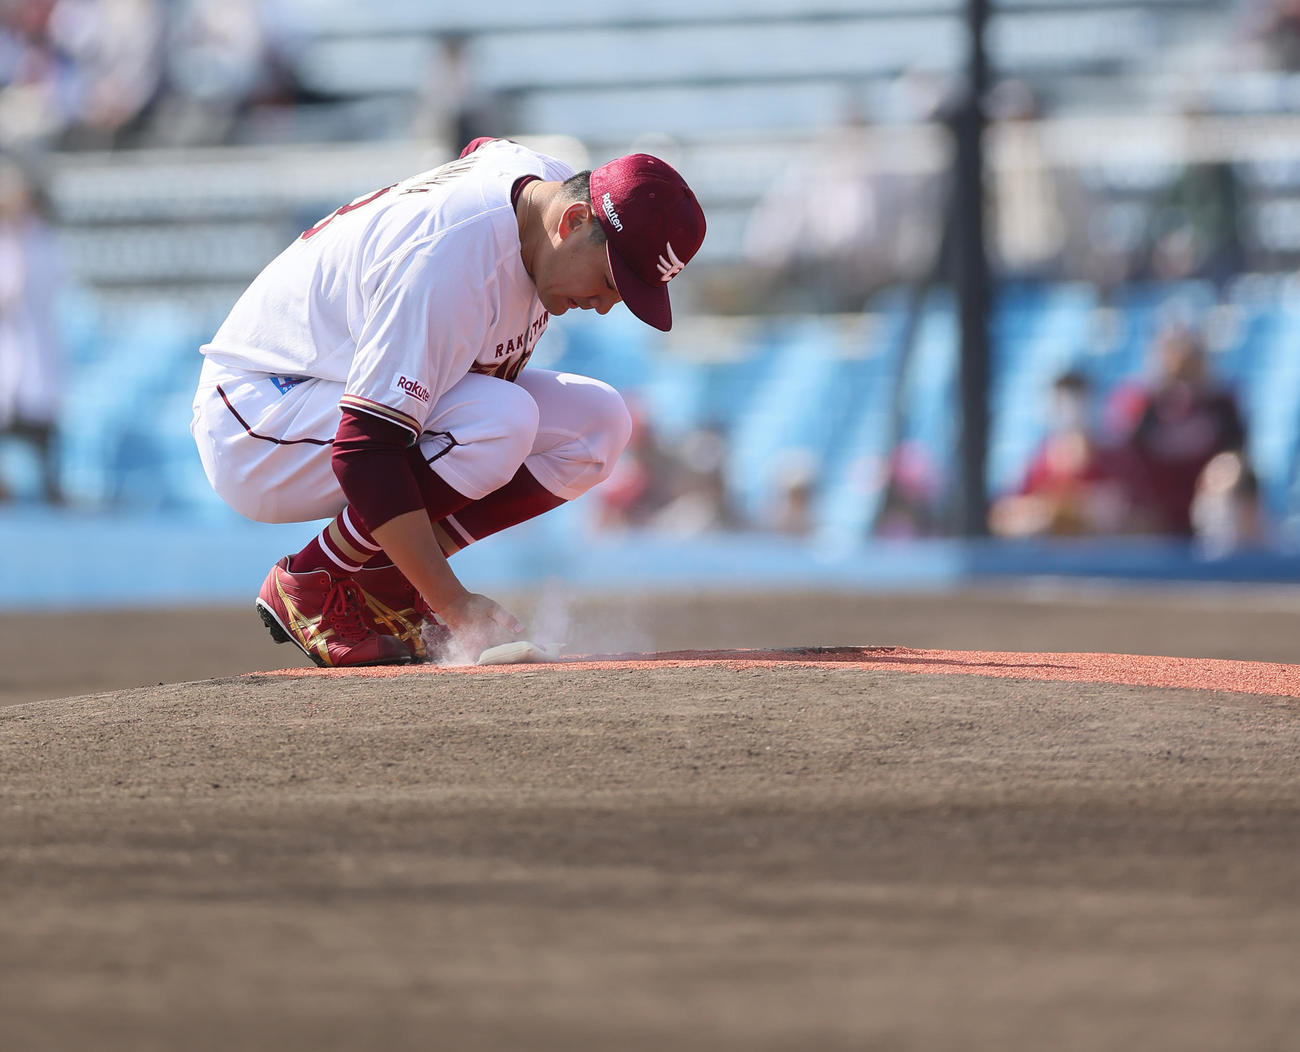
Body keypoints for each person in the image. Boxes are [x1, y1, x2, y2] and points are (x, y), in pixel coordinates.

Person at [191, 137, 706, 667]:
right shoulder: (448, 261)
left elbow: (483, 148)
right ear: (571, 222)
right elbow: (364, 452)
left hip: (324, 385)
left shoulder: (542, 188)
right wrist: (452, 602)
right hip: (262, 411)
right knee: (500, 419)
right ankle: (311, 579)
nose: (604, 306)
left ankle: (383, 580)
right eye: (607, 280)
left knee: (599, 422)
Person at [1110, 323, 1247, 536]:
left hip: (1207, 516)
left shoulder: (1221, 406)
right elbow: (1123, 459)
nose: (1181, 362)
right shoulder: (1140, 404)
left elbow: (1238, 458)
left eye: (1189, 354)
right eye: (1172, 351)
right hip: (1153, 518)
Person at [0, 155, 65, 504]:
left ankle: (50, 483)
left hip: (34, 336)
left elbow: (44, 286)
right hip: (7, 338)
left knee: (40, 418)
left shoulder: (42, 238)